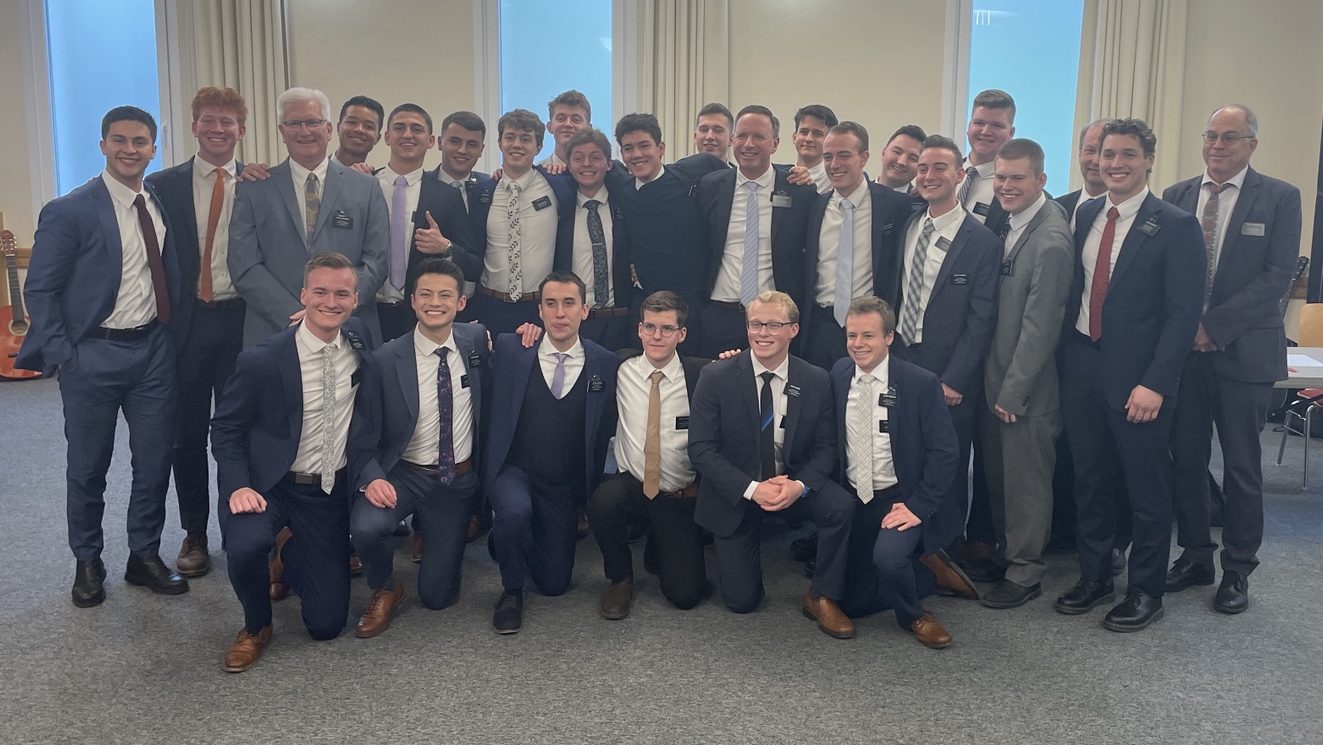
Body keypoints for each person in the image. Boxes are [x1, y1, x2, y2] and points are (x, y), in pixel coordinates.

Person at [17, 105, 189, 607]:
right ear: (102, 145)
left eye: (139, 141)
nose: (129, 149)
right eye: (119, 140)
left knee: (154, 461)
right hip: (92, 354)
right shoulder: (70, 210)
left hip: (153, 351)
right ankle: (87, 561)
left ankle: (144, 555)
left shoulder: (156, 201)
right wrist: (64, 355)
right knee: (88, 466)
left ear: (153, 148)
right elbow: (40, 289)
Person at [1055, 118, 1204, 632]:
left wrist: (1157, 383)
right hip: (1083, 365)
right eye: (1107, 154)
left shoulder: (1176, 225)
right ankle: (1095, 575)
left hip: (1140, 380)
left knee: (1146, 487)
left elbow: (1183, 315)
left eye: (1127, 155)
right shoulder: (1086, 214)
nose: (1114, 164)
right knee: (1089, 478)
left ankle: (1146, 590)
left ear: (1148, 161)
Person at [1162, 104, 1302, 614]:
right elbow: (1167, 273)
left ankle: (1238, 569)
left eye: (1229, 137)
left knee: (1242, 466)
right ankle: (1196, 555)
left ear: (1251, 145)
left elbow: (1276, 278)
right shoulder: (1176, 196)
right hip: (1184, 356)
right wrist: (1184, 331)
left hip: (1244, 354)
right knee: (1187, 462)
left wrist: (1212, 328)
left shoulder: (1281, 197)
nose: (1217, 145)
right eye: (1211, 136)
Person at [211, 252, 379, 671]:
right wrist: (239, 485)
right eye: (320, 292)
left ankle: (286, 552)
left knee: (326, 625)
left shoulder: (358, 339)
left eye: (341, 294)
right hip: (269, 484)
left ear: (355, 300)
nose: (330, 302)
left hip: (326, 490)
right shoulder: (262, 360)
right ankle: (256, 626)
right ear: (303, 295)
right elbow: (225, 429)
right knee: (246, 546)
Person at [688, 291, 856, 638]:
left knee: (840, 506)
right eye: (755, 324)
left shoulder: (816, 379)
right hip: (738, 491)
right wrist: (752, 489)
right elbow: (701, 449)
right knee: (742, 602)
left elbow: (827, 448)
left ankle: (823, 595)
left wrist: (799, 486)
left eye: (773, 325)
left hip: (790, 483)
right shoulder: (716, 376)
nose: (762, 333)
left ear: (793, 329)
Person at [350, 258, 488, 636]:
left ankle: (432, 532)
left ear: (461, 303)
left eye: (445, 295)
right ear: (412, 301)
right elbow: (362, 431)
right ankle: (385, 586)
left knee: (438, 596)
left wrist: (530, 329)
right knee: (367, 527)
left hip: (455, 481)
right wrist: (372, 478)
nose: (434, 303)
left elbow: (512, 348)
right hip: (405, 474)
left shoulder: (475, 342)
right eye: (425, 294)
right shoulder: (385, 360)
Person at [145, 86, 250, 577]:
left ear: (241, 130)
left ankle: (239, 528)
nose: (217, 129)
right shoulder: (161, 186)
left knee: (236, 432)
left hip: (241, 323)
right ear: (193, 127)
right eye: (209, 120)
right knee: (185, 436)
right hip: (186, 325)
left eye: (227, 121)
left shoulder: (259, 183)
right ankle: (195, 534)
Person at [486, 272, 618, 633]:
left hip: (561, 483)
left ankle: (511, 538)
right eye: (551, 304)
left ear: (585, 310)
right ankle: (511, 590)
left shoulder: (604, 362)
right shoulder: (513, 348)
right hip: (515, 470)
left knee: (554, 584)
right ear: (540, 311)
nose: (560, 313)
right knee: (514, 512)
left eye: (569, 303)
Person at [890, 134, 999, 573]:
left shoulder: (981, 240)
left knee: (947, 462)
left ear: (959, 174)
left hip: (948, 371)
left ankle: (947, 552)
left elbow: (981, 320)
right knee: (902, 454)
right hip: (902, 359)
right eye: (922, 168)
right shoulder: (908, 224)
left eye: (939, 168)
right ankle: (907, 544)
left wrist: (956, 378)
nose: (929, 176)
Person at [979, 138, 1074, 609]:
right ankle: (1007, 553)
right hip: (997, 378)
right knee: (1002, 479)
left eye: (1017, 178)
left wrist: (1013, 392)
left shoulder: (1050, 240)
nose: (1006, 186)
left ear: (1041, 180)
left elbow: (1041, 328)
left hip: (1026, 391)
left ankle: (1025, 571)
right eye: (1000, 177)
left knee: (1026, 485)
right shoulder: (1011, 222)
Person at [833, 297, 961, 647]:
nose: (858, 344)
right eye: (852, 335)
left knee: (888, 561)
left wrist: (918, 506)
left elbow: (945, 452)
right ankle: (927, 571)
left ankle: (915, 615)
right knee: (853, 604)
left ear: (889, 337)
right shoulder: (839, 374)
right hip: (857, 498)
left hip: (900, 498)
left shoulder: (920, 383)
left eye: (868, 336)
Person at [228, 86, 389, 345]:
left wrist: (333, 307)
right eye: (294, 123)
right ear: (282, 131)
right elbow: (244, 265)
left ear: (329, 129)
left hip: (348, 329)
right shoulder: (255, 188)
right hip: (273, 330)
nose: (304, 131)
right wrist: (297, 315)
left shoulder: (366, 187)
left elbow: (377, 261)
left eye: (313, 122)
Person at [588, 291, 709, 618]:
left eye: (667, 329)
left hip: (677, 493)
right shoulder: (619, 366)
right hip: (633, 484)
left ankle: (660, 539)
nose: (657, 336)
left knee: (686, 595)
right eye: (650, 327)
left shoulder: (702, 375)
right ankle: (619, 578)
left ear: (682, 334)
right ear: (639, 329)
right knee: (602, 502)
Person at [696, 105, 816, 356]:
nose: (748, 144)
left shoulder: (798, 190)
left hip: (774, 319)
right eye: (742, 136)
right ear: (732, 140)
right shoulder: (710, 186)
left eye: (759, 137)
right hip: (720, 315)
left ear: (775, 144)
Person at [607, 113, 729, 349]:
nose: (637, 154)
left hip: (691, 304)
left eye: (644, 145)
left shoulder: (691, 173)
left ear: (661, 148)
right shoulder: (622, 189)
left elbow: (738, 175)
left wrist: (793, 172)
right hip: (646, 303)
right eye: (628, 148)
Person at [800, 121, 914, 370]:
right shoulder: (814, 206)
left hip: (870, 329)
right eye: (828, 157)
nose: (834, 164)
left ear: (864, 158)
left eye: (844, 155)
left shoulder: (895, 205)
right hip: (819, 328)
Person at [373, 103, 479, 342]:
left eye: (416, 129)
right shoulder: (364, 185)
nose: (408, 134)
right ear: (387, 137)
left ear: (431, 141)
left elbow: (474, 265)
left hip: (423, 317)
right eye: (399, 127)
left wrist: (446, 247)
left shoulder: (447, 196)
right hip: (368, 313)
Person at [465, 109, 575, 336]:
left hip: (539, 307)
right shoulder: (484, 191)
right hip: (489, 303)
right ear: (500, 143)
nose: (517, 145)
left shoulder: (558, 185)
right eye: (510, 137)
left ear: (538, 146)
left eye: (525, 139)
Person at [556, 128, 635, 350]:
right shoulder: (560, 207)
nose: (586, 164)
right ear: (568, 164)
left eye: (595, 157)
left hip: (620, 317)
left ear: (609, 163)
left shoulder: (626, 203)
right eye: (578, 158)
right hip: (573, 319)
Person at [958, 89, 1015, 236]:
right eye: (979, 123)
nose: (985, 131)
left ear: (1011, 133)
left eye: (996, 125)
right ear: (969, 126)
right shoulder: (941, 174)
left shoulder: (1017, 191)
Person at [433, 110, 493, 216]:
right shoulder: (421, 186)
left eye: (472, 144)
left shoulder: (491, 187)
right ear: (440, 143)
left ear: (481, 150)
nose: (462, 150)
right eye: (455, 141)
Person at [1058, 119, 1113, 231]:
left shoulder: (1125, 214)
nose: (1096, 161)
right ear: (1079, 154)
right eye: (1090, 151)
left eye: (1106, 153)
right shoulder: (1056, 207)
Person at [791, 104, 838, 194]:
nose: (809, 139)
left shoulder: (835, 180)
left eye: (817, 134)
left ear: (830, 142)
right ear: (794, 137)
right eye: (804, 132)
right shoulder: (781, 177)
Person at [541, 89, 592, 167]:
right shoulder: (536, 172)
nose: (568, 124)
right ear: (549, 126)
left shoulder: (602, 172)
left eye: (576, 119)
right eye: (561, 118)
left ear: (589, 129)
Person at [333, 95, 383, 168]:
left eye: (369, 126)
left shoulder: (376, 175)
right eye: (352, 122)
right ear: (338, 128)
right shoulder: (317, 170)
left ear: (378, 138)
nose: (359, 129)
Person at [876, 125, 926, 194]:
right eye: (897, 152)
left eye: (912, 158)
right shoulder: (862, 193)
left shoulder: (925, 201)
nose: (902, 162)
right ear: (883, 153)